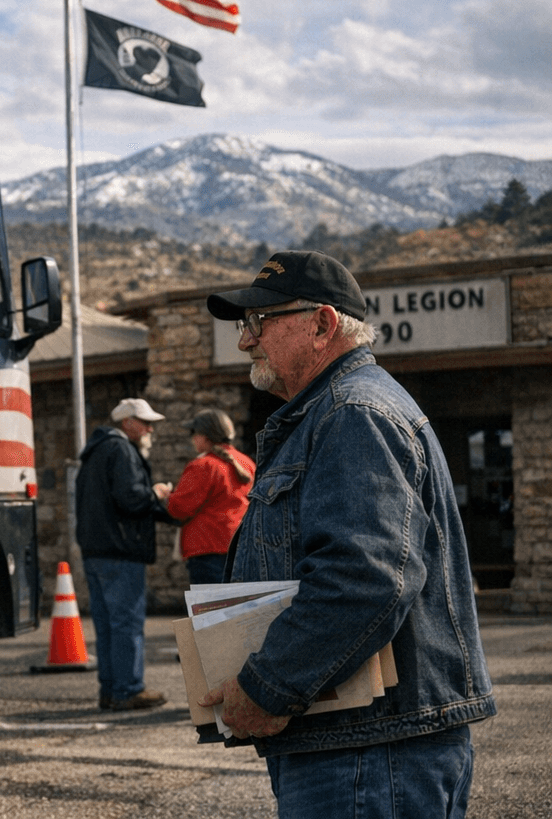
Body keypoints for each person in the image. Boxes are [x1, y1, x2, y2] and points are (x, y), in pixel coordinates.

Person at [202, 250, 494, 818]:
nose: (245, 340)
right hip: (363, 747)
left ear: (322, 324)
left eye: (259, 322)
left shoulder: (352, 413)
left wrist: (267, 687)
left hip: (368, 752)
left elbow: (365, 579)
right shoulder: (336, 412)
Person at [75, 397, 176, 711]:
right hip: (121, 551)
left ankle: (111, 689)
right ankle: (128, 689)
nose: (149, 428)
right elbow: (131, 499)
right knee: (127, 625)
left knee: (106, 626)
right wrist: (157, 493)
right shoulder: (121, 450)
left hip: (95, 551)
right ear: (127, 423)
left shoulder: (95, 451)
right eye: (145, 422)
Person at [159, 409, 253, 585]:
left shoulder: (203, 465)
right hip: (239, 546)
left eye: (193, 433)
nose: (192, 438)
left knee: (210, 610)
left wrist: (167, 497)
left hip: (207, 548)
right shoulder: (247, 463)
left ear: (204, 437)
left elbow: (180, 509)